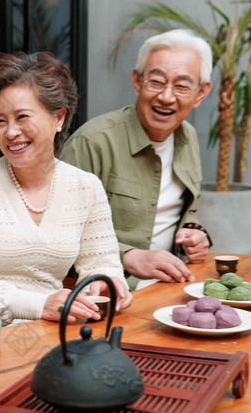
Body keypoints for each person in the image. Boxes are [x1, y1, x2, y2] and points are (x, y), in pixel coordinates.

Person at [0, 52, 132, 325]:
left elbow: (100, 262)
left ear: (58, 118)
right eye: (0, 121)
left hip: (58, 330)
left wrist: (107, 282)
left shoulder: (86, 187)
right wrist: (38, 304)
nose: (10, 132)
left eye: (22, 117)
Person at [60, 29, 213, 290]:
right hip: (107, 296)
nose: (166, 96)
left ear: (200, 93)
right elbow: (57, 236)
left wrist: (195, 233)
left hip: (169, 289)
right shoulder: (92, 142)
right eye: (156, 81)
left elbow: (188, 210)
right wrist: (128, 257)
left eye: (181, 86)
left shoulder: (187, 136)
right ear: (137, 82)